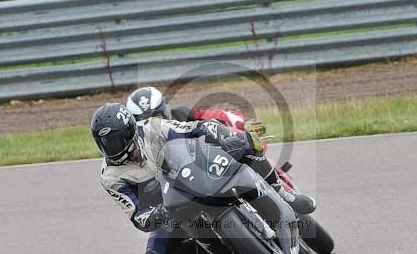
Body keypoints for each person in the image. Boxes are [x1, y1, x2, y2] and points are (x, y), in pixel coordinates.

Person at [91, 102, 265, 254]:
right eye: (104, 143)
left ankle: (279, 191)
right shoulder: (110, 178)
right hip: (171, 208)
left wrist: (222, 136)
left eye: (115, 140)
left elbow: (194, 128)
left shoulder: (152, 127)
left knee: (244, 144)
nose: (111, 147)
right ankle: (222, 249)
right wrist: (156, 214)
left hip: (195, 172)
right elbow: (137, 216)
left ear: (130, 131)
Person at [126, 86, 316, 215]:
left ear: (165, 109)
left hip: (212, 160)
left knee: (246, 147)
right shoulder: (137, 152)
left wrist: (244, 124)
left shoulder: (181, 115)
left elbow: (218, 116)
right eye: (144, 120)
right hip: (187, 189)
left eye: (157, 116)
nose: (153, 123)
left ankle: (285, 192)